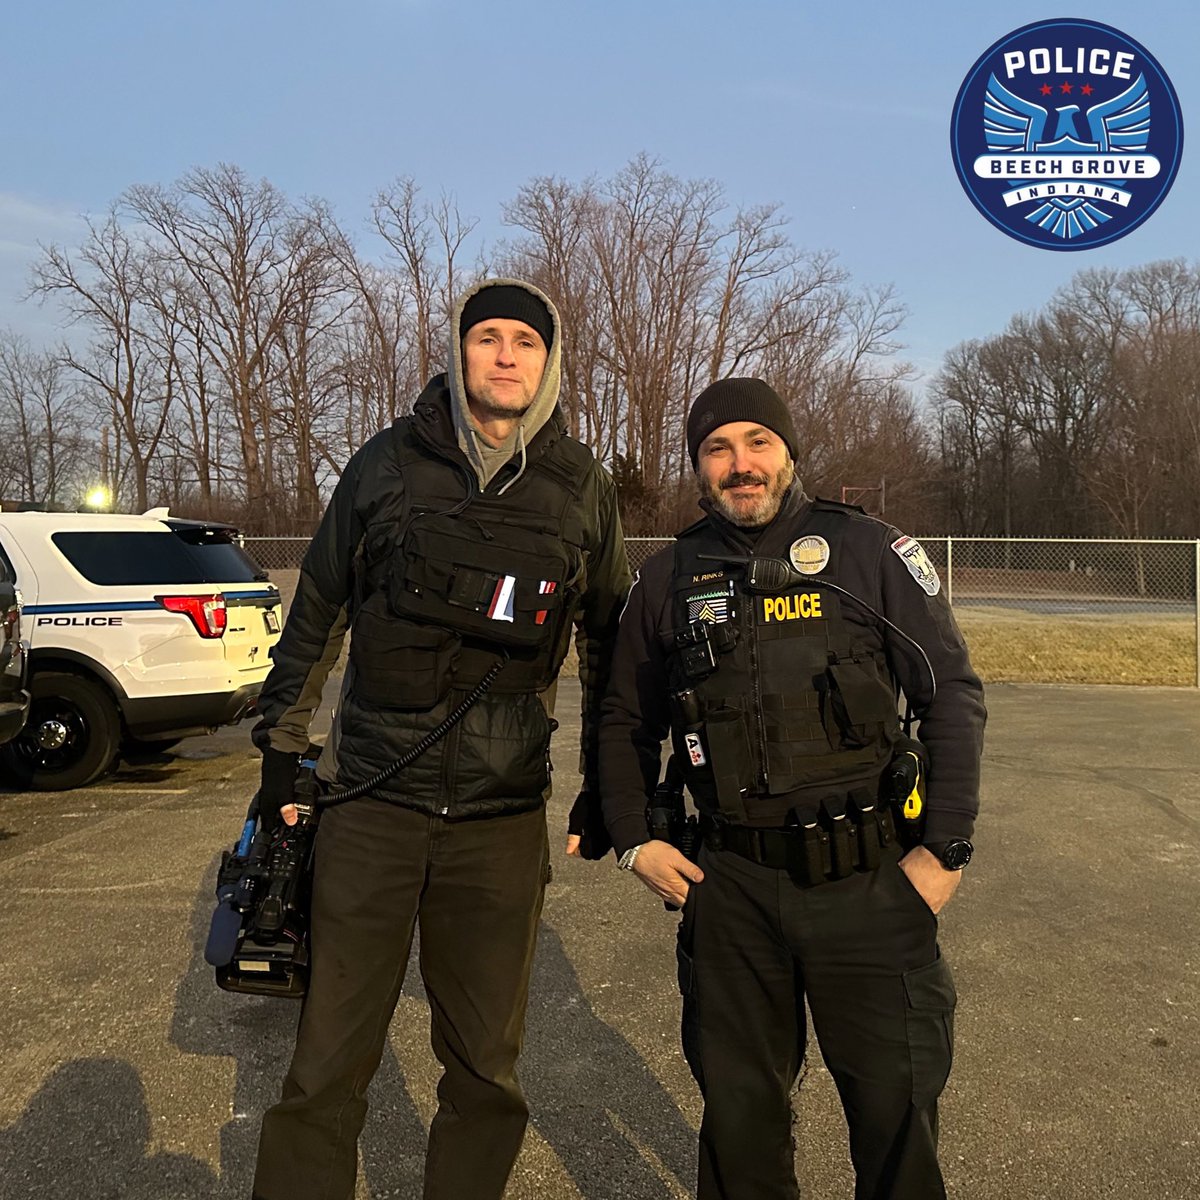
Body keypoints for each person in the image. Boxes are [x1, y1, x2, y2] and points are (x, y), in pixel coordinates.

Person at [250, 279, 630, 1200]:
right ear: (459, 351)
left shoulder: (580, 485)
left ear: (549, 361)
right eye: (488, 337)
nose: (506, 355)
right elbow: (319, 610)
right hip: (372, 806)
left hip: (498, 823)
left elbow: (614, 646)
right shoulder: (385, 465)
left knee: (486, 1075)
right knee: (325, 1065)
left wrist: (610, 784)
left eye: (526, 343)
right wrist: (280, 750)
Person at [599, 377, 986, 1199]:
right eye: (717, 449)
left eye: (757, 443)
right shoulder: (668, 577)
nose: (741, 464)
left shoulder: (868, 553)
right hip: (731, 887)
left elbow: (950, 694)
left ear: (788, 452)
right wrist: (635, 835)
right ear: (700, 468)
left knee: (896, 1116)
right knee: (740, 1119)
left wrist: (945, 849)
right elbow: (621, 715)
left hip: (870, 883)